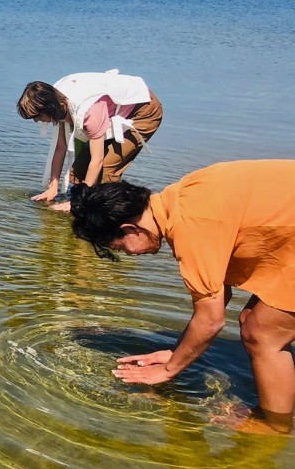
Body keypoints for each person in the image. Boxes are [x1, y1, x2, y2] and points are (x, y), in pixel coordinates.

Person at [68, 160, 295, 434]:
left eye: (121, 247)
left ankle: (274, 427)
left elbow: (211, 321)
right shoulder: (183, 196)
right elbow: (217, 295)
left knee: (263, 332)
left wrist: (168, 371)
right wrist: (177, 353)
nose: (129, 254)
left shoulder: (191, 226)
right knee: (252, 320)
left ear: (130, 229)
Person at [17, 70, 162, 211]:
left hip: (144, 110)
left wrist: (77, 203)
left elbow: (97, 160)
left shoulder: (88, 111)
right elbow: (61, 147)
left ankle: (110, 213)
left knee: (107, 167)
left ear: (50, 108)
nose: (36, 121)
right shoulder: (57, 100)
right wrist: (53, 187)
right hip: (108, 109)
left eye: (37, 116)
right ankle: (85, 203)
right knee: (80, 168)